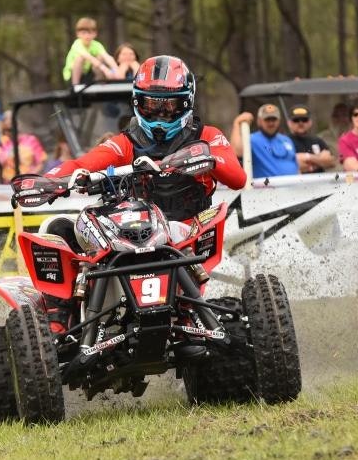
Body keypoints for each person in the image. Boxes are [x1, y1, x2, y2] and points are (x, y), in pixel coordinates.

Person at [44, 55, 247, 330]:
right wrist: (49, 181)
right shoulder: (127, 143)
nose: (160, 115)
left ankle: (195, 313)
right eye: (151, 105)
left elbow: (237, 177)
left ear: (185, 103)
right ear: (138, 102)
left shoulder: (207, 135)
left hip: (185, 236)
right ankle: (59, 323)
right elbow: (82, 164)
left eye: (169, 107)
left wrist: (205, 156)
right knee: (56, 228)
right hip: (133, 237)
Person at [231, 103, 299, 178]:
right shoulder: (252, 139)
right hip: (267, 187)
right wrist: (237, 123)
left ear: (279, 120)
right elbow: (237, 151)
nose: (271, 123)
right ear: (259, 121)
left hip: (293, 186)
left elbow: (296, 166)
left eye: (274, 119)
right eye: (267, 119)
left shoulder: (286, 140)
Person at [62, 17, 118, 85]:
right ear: (78, 34)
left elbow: (107, 57)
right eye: (84, 33)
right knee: (80, 58)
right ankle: (75, 86)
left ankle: (100, 83)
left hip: (88, 74)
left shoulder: (96, 45)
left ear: (95, 34)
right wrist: (105, 69)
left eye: (90, 33)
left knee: (100, 57)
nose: (87, 36)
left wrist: (116, 70)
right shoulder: (77, 44)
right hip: (73, 75)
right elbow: (89, 57)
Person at [0, 110, 48, 180]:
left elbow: (41, 163)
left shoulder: (31, 140)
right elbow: (1, 161)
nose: (10, 133)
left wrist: (29, 176)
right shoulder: (3, 143)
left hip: (29, 181)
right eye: (6, 130)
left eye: (12, 129)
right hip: (9, 184)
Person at [285, 104, 336, 173]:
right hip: (296, 182)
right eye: (296, 120)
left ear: (310, 122)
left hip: (319, 182)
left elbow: (331, 162)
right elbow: (291, 164)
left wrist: (307, 157)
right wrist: (320, 160)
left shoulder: (317, 140)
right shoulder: (284, 141)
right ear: (289, 123)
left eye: (304, 120)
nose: (301, 123)